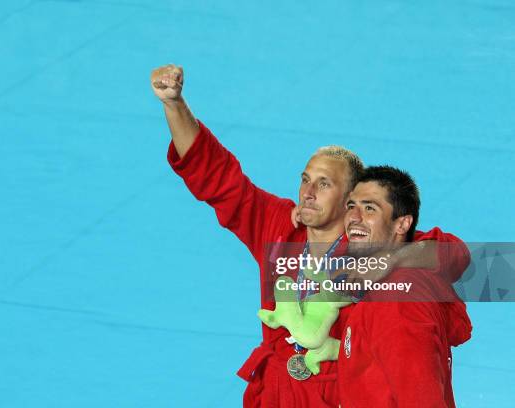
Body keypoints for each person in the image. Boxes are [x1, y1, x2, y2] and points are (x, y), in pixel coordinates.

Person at [150, 64, 469, 407]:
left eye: (323, 184)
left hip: (334, 394)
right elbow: (218, 178)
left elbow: (455, 254)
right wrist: (174, 104)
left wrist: (397, 258)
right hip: (273, 392)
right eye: (305, 179)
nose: (308, 192)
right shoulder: (279, 227)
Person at [338, 166, 472, 407]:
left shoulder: (396, 300)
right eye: (351, 206)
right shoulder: (391, 275)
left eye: (370, 208)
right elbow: (454, 251)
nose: (353, 217)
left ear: (402, 225)